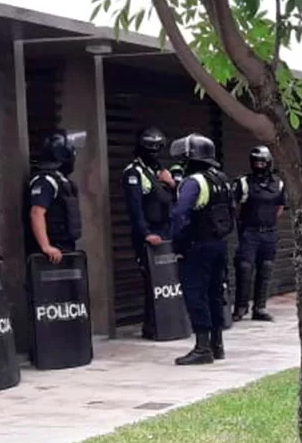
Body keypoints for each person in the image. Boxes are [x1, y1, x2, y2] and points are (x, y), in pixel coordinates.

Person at [169, 133, 235, 364]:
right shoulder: (222, 179)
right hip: (219, 244)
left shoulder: (194, 182)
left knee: (196, 295)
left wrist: (178, 244)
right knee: (215, 294)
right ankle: (217, 345)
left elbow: (180, 214)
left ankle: (202, 347)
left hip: (197, 247)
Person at [122, 127, 175, 334]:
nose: (154, 152)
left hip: (165, 231)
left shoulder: (159, 171)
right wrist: (145, 234)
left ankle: (168, 321)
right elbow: (134, 208)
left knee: (167, 281)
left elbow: (171, 200)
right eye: (150, 148)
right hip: (148, 234)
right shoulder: (133, 173)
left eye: (157, 148)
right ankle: (152, 325)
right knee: (151, 280)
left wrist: (170, 183)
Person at [233, 144, 286, 322]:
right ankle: (240, 308)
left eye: (262, 163)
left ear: (269, 163)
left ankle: (260, 308)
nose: (259, 166)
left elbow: (280, 207)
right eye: (256, 162)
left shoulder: (278, 183)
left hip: (269, 233)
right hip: (250, 232)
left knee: (266, 268)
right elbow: (236, 207)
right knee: (245, 268)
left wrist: (268, 222)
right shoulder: (244, 182)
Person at [26, 130, 82, 262]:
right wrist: (46, 246)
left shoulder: (61, 180)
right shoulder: (45, 180)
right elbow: (36, 213)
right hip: (51, 253)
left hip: (64, 248)